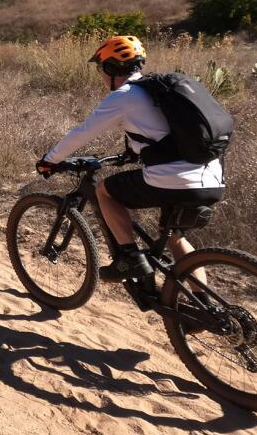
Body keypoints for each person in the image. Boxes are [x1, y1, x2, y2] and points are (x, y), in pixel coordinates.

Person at [37, 35, 225, 282]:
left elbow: (81, 134)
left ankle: (129, 258)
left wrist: (49, 160)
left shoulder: (124, 95)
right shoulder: (160, 91)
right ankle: (204, 308)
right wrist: (132, 154)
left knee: (105, 191)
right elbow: (163, 133)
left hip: (175, 179)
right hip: (212, 178)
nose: (101, 75)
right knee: (174, 238)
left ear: (111, 68)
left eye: (101, 68)